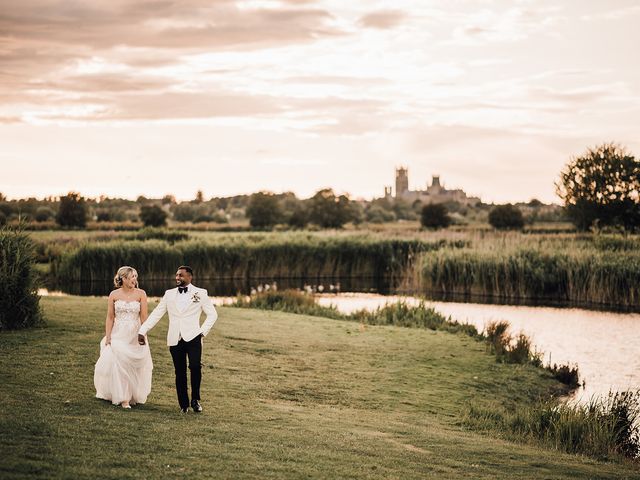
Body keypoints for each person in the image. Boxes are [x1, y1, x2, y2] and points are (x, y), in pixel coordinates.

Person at [138, 266, 218, 413]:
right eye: (176, 275)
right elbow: (156, 314)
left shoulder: (200, 293)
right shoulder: (169, 294)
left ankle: (195, 400)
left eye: (181, 275)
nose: (177, 278)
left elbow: (212, 314)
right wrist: (142, 330)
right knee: (179, 372)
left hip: (194, 337)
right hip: (175, 338)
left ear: (189, 277)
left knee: (195, 367)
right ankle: (183, 405)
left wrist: (202, 332)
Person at [94, 266, 153, 409]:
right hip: (118, 332)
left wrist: (143, 334)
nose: (135, 280)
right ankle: (123, 398)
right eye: (132, 277)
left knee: (132, 364)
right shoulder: (114, 294)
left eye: (135, 277)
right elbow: (110, 317)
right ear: (124, 278)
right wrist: (108, 336)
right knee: (120, 363)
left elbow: (144, 318)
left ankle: (131, 395)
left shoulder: (141, 294)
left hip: (134, 333)